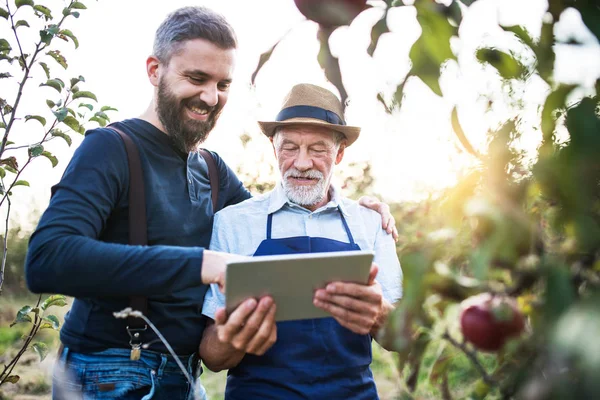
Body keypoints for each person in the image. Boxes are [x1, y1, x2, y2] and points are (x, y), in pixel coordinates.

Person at [24, 7, 396, 400]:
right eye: (196, 78)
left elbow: (277, 216)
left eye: (223, 84)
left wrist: (357, 207)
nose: (210, 96)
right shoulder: (111, 148)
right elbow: (48, 259)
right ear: (155, 70)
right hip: (111, 371)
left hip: (184, 376)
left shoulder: (212, 169)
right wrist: (203, 264)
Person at [200, 83, 403, 400]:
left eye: (318, 149)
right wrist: (234, 333)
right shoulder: (232, 224)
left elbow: (403, 338)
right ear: (273, 147)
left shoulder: (370, 224)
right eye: (290, 147)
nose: (302, 163)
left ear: (339, 153)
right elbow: (212, 358)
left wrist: (380, 315)